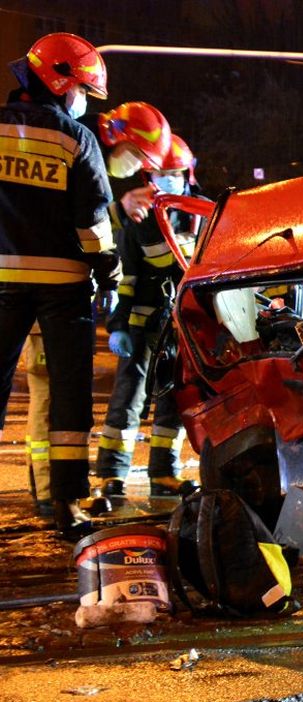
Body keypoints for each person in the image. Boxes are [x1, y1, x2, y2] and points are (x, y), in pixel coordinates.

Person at [19, 99, 173, 520]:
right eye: (140, 156)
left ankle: (58, 493)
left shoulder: (80, 153)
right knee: (50, 398)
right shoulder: (76, 148)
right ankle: (53, 495)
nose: (141, 168)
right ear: (121, 143)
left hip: (51, 298)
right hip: (41, 297)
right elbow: (72, 223)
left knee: (60, 399)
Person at [0, 32, 121, 534]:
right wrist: (109, 269)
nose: (81, 103)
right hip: (63, 286)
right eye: (83, 93)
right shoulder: (76, 140)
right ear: (59, 81)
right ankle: (68, 504)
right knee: (69, 398)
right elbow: (92, 221)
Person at [95, 134, 200, 503]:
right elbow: (127, 278)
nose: (168, 180)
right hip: (143, 326)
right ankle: (111, 476)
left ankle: (165, 474)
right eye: (161, 174)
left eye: (174, 173)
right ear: (148, 179)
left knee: (175, 402)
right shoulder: (141, 218)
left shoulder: (203, 214)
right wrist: (119, 326)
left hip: (184, 328)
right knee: (128, 401)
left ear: (187, 172)